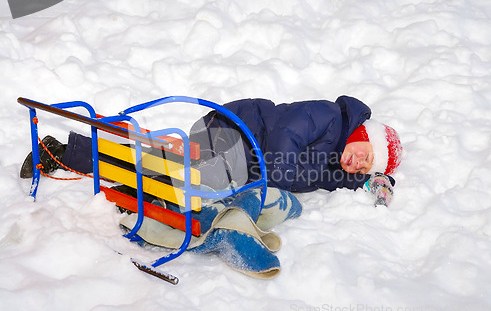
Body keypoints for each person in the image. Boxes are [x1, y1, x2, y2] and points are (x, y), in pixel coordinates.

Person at [20, 96, 402, 206]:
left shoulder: (335, 157)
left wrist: (367, 182)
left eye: (365, 166)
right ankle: (63, 152)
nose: (357, 162)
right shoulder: (329, 116)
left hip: (244, 155)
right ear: (361, 135)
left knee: (176, 173)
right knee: (200, 179)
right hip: (236, 127)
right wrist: (291, 179)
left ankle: (67, 153)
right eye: (365, 152)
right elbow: (285, 140)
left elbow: (326, 176)